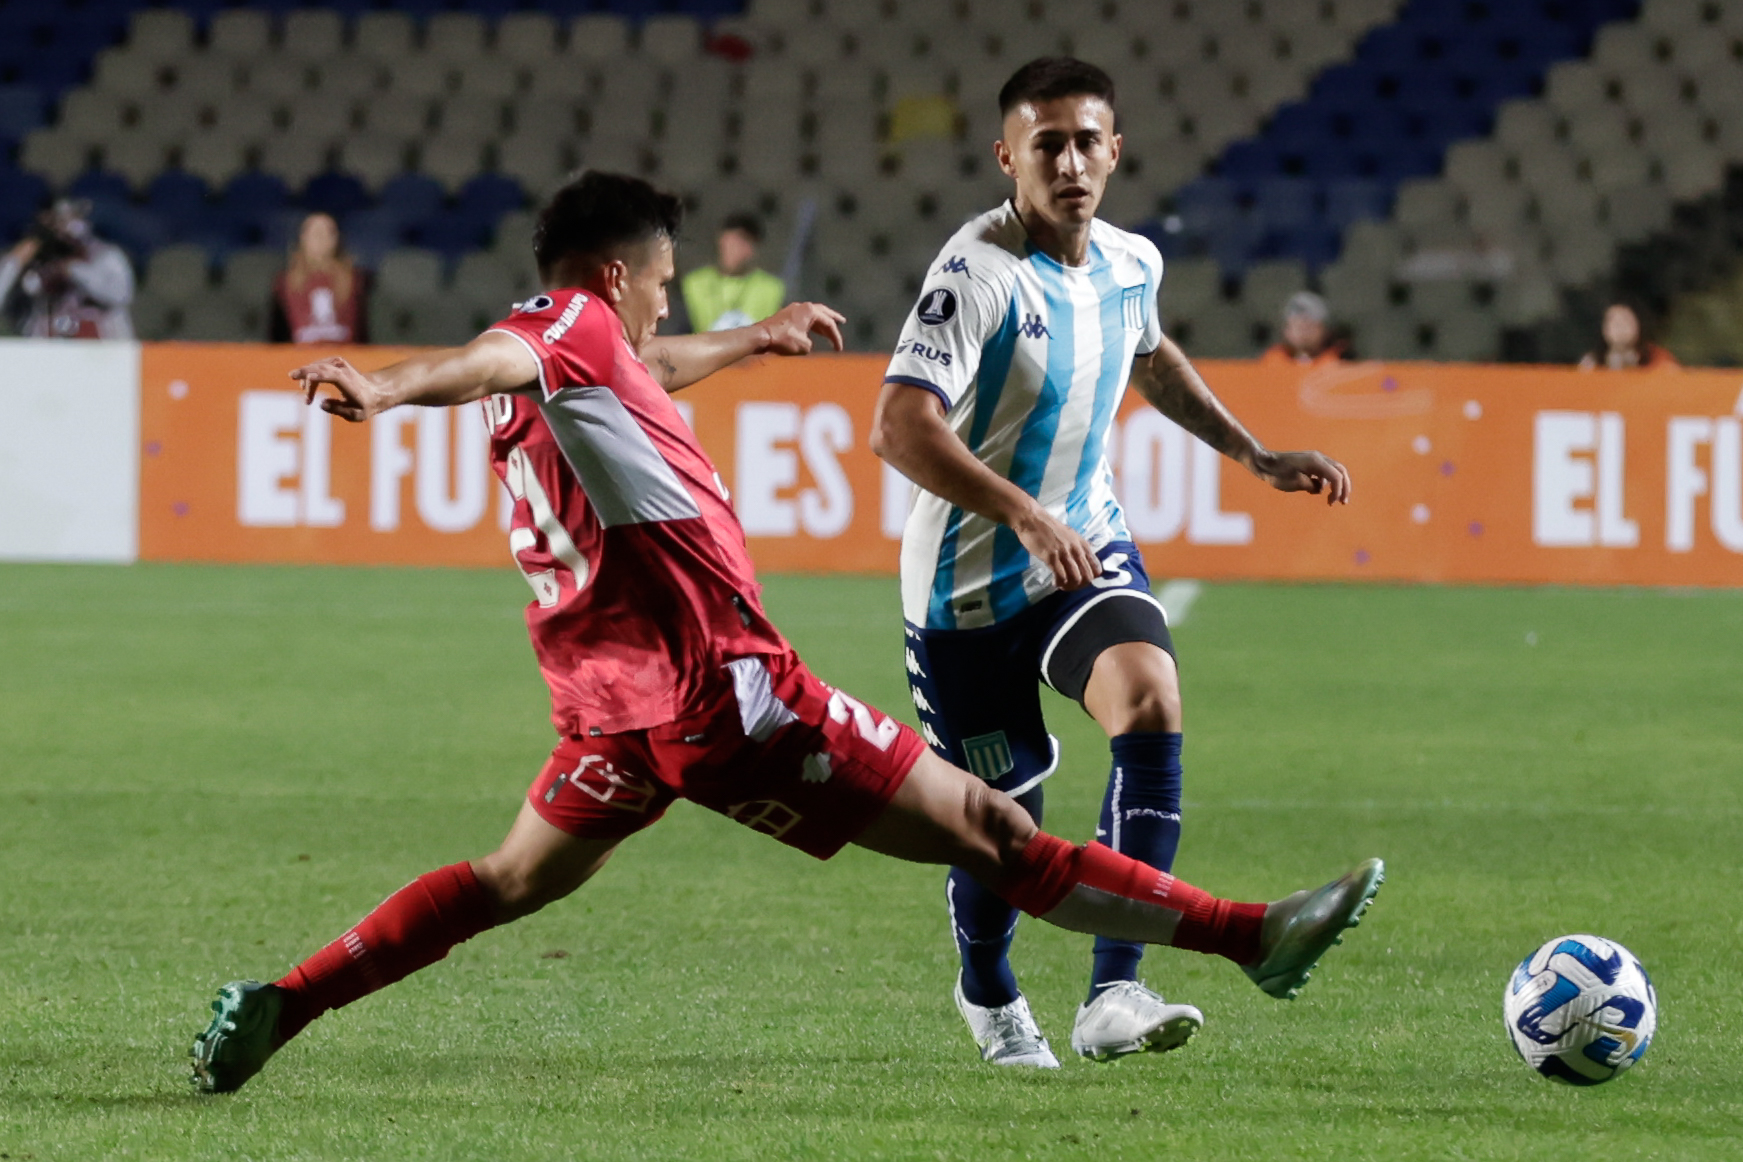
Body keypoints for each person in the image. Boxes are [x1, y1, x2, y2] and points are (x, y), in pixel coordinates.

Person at [189, 169, 1383, 1094]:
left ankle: (283, 1003)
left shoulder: (587, 365)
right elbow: (508, 345)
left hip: (612, 716)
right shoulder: (555, 328)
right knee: (998, 831)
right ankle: (1249, 939)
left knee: (505, 879)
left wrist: (753, 340)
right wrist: (391, 389)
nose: (670, 299)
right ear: (612, 276)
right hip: (732, 698)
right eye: (661, 279)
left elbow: (642, 363)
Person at [872, 58, 1356, 1069]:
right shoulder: (978, 273)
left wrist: (1254, 454)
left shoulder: (1131, 263)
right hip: (964, 590)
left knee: (1149, 697)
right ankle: (989, 989)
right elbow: (898, 428)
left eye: (1087, 141)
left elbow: (1151, 352)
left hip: (1080, 547)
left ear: (1116, 152)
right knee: (1004, 828)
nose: (1070, 161)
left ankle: (1115, 990)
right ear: (1007, 156)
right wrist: (1020, 514)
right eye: (1046, 143)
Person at [0, 198, 134, 339]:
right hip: (50, 348)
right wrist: (15, 263)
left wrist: (73, 270)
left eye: (67, 221)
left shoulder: (106, 256)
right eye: (55, 223)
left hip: (104, 348)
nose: (61, 230)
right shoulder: (35, 261)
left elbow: (121, 295)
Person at [678, 211, 785, 333]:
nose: (731, 251)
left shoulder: (772, 288)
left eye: (739, 245)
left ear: (752, 248)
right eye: (728, 244)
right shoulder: (693, 283)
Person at [271, 212, 368, 345]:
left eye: (327, 232)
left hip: (345, 358)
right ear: (302, 238)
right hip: (297, 358)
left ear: (336, 239)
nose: (320, 237)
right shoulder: (284, 282)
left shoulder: (356, 280)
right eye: (314, 232)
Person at [1578, 301, 1677, 371]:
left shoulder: (1658, 358)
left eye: (1625, 321)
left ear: (1638, 325)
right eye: (1614, 322)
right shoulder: (1591, 363)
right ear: (1604, 329)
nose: (1620, 327)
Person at [1260, 291, 1348, 366]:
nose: (1304, 330)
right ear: (1286, 330)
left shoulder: (1338, 362)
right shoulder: (1272, 360)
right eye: (1297, 325)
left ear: (1325, 330)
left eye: (1311, 325)